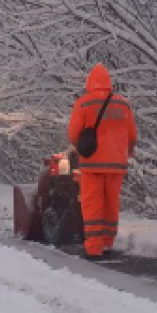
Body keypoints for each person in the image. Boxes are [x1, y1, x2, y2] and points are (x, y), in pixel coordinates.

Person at [67, 63, 138, 260]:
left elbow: (73, 133)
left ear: (89, 82)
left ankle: (94, 247)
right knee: (111, 203)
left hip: (92, 163)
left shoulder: (84, 103)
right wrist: (127, 151)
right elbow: (132, 134)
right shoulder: (123, 104)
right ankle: (108, 243)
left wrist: (80, 147)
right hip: (116, 163)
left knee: (92, 203)